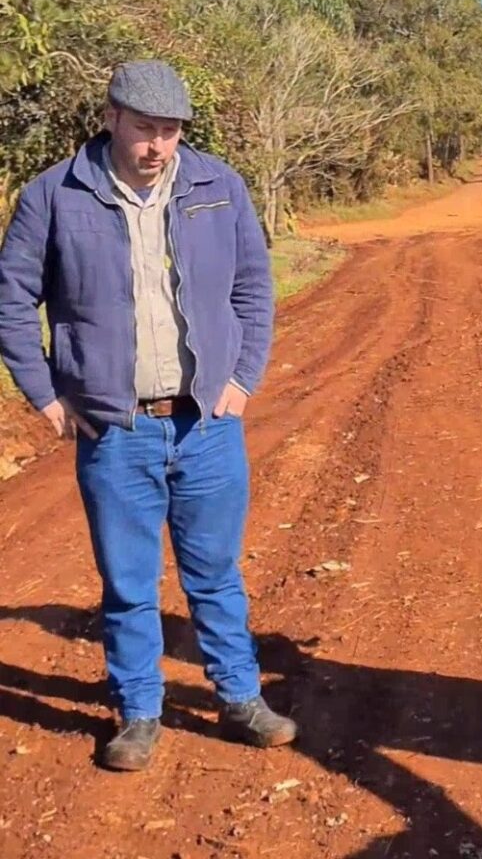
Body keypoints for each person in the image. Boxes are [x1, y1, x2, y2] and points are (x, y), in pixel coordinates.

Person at [0, 61, 297, 770]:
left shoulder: (217, 187)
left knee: (215, 573)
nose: (157, 145)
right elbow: (11, 301)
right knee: (129, 584)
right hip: (114, 432)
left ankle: (240, 697)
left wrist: (242, 380)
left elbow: (253, 287)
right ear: (110, 118)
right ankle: (138, 713)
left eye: (170, 131)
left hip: (207, 425)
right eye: (144, 128)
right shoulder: (54, 195)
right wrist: (46, 396)